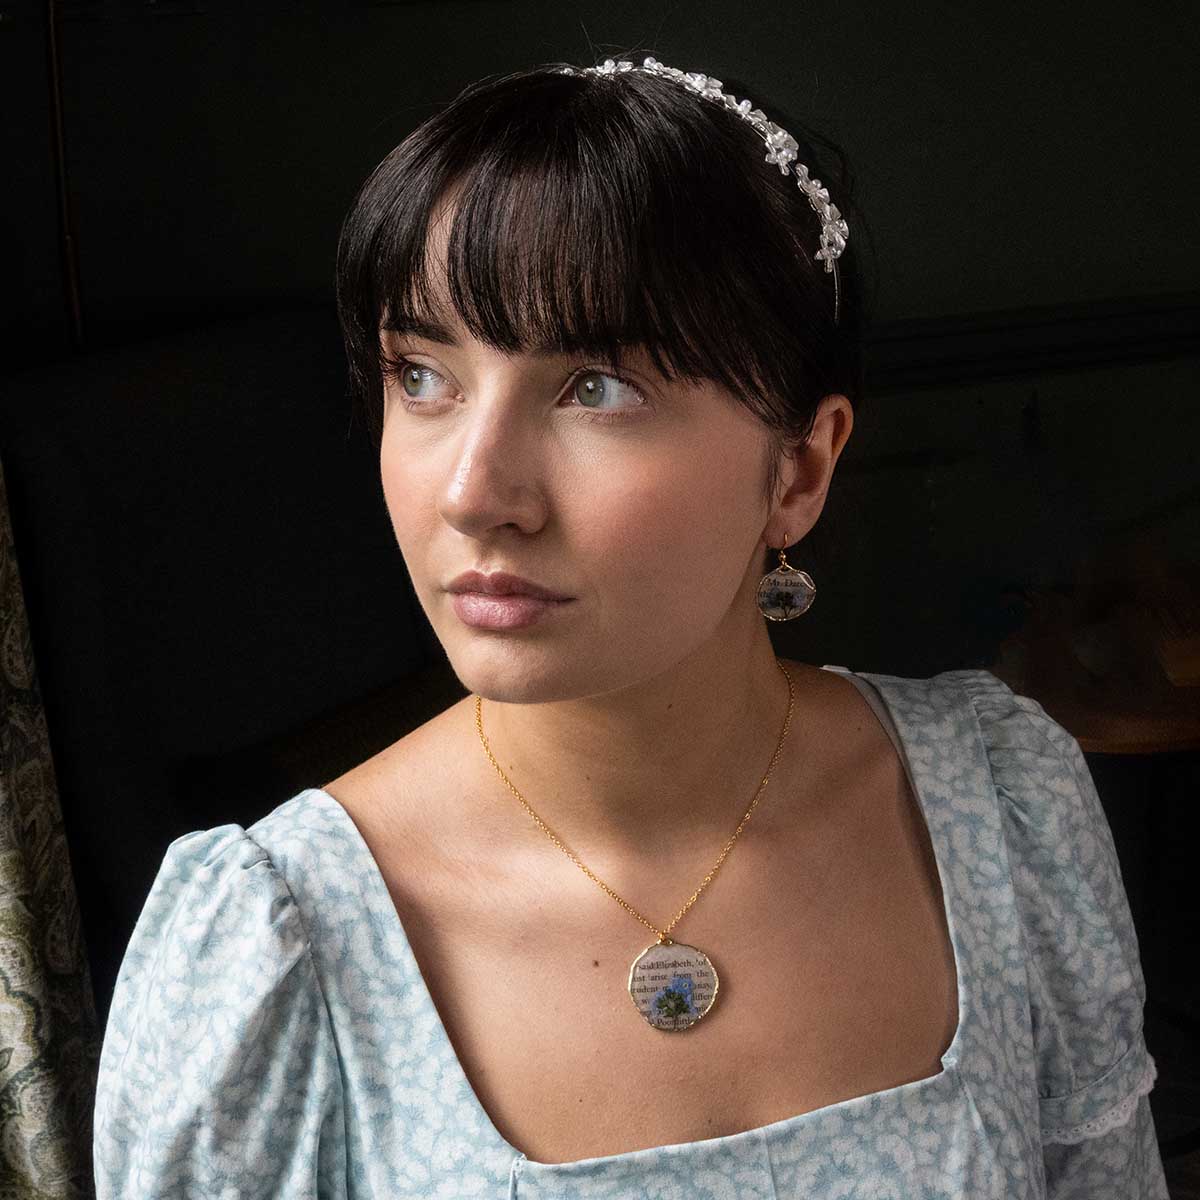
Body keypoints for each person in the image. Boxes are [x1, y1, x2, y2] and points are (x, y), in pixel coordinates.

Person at [93, 53, 1169, 1198]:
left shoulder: (1000, 815)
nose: (472, 491)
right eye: (422, 374)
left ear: (798, 470)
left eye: (595, 385)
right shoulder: (276, 945)